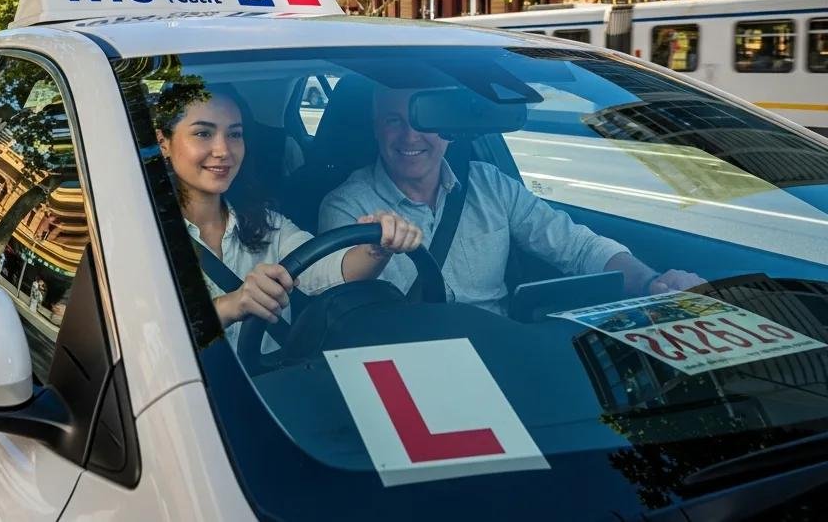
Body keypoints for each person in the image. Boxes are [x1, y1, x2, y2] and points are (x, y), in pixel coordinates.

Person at [319, 88, 703, 316]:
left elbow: (577, 245)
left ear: (450, 130)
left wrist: (651, 282)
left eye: (425, 120)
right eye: (393, 121)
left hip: (500, 355)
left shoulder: (490, 186)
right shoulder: (348, 206)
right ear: (375, 128)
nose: (410, 136)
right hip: (405, 367)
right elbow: (340, 308)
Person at [154, 81, 423, 350]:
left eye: (235, 135)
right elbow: (142, 340)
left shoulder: (268, 224)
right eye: (203, 133)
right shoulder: (140, 233)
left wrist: (374, 249)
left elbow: (330, 270)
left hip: (276, 387)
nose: (223, 150)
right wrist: (227, 307)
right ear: (163, 142)